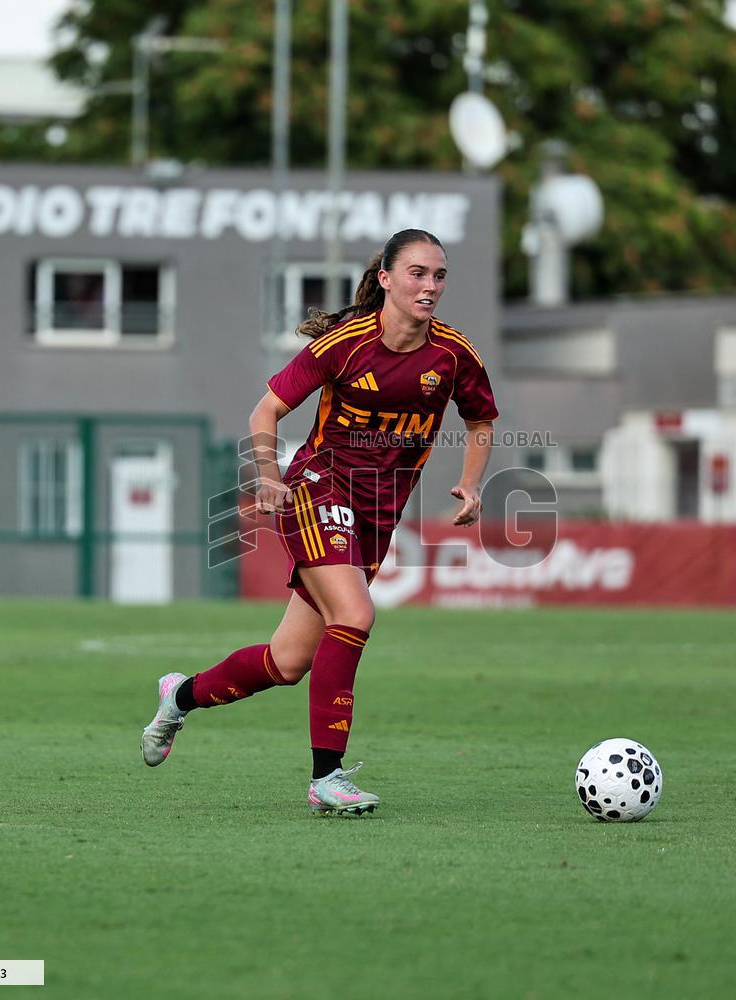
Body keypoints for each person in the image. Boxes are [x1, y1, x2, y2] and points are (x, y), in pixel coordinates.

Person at [140, 229, 499, 813]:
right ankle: (326, 778)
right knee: (355, 614)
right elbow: (266, 410)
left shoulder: (454, 354)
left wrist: (472, 482)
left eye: (439, 276)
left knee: (287, 663)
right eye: (417, 273)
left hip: (378, 513)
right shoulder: (346, 344)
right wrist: (267, 475)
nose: (430, 286)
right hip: (317, 488)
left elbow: (481, 420)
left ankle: (178, 697)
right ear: (385, 278)